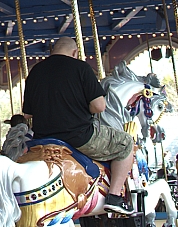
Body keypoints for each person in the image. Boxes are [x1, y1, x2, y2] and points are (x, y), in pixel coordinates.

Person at [22, 36, 135, 216]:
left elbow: (27, 114)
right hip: (78, 136)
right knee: (126, 143)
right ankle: (114, 197)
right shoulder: (81, 68)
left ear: (52, 51)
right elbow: (99, 106)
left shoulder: (35, 71)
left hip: (42, 139)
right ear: (75, 52)